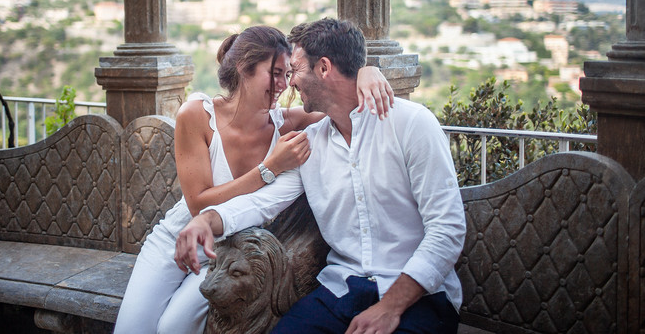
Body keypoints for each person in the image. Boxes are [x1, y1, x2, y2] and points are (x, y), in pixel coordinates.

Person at [175, 18, 466, 334]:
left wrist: (389, 308)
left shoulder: (412, 124)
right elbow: (260, 204)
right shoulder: (309, 144)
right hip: (340, 291)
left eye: (295, 70)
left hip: (417, 296)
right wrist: (207, 220)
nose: (290, 82)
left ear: (324, 68)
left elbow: (447, 229)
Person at [114, 25, 394, 334]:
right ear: (243, 68)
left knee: (172, 328)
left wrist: (366, 71)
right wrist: (269, 168)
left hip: (229, 255)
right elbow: (198, 204)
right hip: (176, 237)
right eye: (274, 73)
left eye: (287, 75)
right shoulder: (196, 115)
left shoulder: (288, 122)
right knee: (131, 327)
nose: (282, 85)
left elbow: (341, 102)